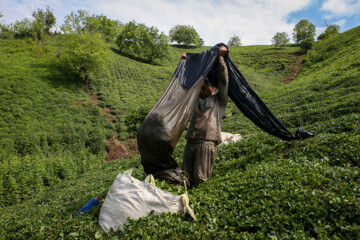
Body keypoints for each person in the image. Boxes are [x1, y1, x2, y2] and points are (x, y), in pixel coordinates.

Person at [180, 45, 229, 186]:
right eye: (200, 88)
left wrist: (220, 58)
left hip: (206, 144)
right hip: (190, 143)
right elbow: (185, 85)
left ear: (213, 88)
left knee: (200, 179)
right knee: (184, 178)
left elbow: (224, 81)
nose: (201, 91)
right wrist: (184, 64)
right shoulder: (195, 100)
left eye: (204, 88)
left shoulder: (219, 101)